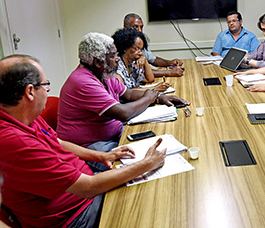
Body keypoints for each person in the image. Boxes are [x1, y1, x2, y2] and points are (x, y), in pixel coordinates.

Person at [0, 54, 166, 228]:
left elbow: (57, 141)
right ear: (30, 92)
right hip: (74, 216)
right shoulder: (15, 143)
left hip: (84, 187)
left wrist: (101, 156)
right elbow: (88, 187)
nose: (48, 90)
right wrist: (147, 164)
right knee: (146, 203)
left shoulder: (22, 115)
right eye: (45, 84)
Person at [57, 33, 189, 165]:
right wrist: (149, 97)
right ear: (97, 61)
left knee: (160, 147)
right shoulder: (83, 82)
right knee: (145, 162)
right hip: (89, 147)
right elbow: (124, 113)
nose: (118, 59)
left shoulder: (104, 74)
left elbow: (129, 94)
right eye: (113, 55)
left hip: (115, 134)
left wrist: (159, 97)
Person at [112, 28, 170, 92]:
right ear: (125, 47)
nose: (140, 53)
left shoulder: (131, 64)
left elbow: (150, 79)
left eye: (141, 49)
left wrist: (144, 60)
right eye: (136, 49)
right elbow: (124, 93)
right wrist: (154, 88)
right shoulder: (116, 66)